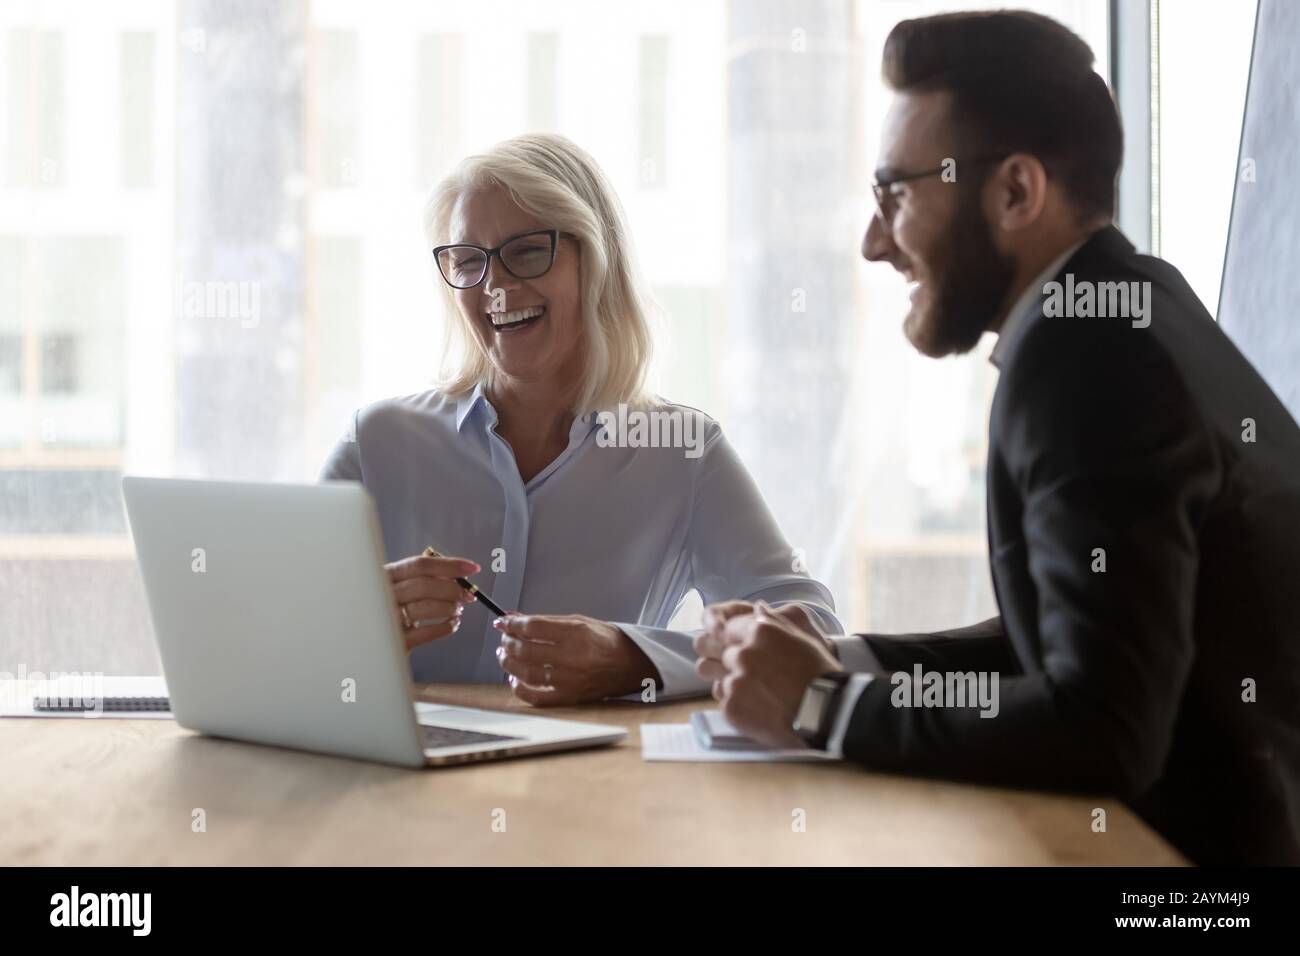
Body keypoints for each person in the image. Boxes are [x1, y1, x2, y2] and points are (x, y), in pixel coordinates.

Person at [696, 10, 1300, 865]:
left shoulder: (1081, 361)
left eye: (895, 193)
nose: (874, 243)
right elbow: (1070, 644)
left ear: (1017, 192)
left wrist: (822, 709)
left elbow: (1103, 731)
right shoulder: (1136, 299)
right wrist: (840, 661)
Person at [319, 133, 841, 705]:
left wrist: (633, 658)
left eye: (525, 251)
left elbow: (813, 632)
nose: (495, 284)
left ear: (596, 260)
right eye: (469, 260)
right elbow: (271, 633)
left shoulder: (681, 450)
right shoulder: (377, 443)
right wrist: (353, 629)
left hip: (588, 787)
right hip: (402, 784)